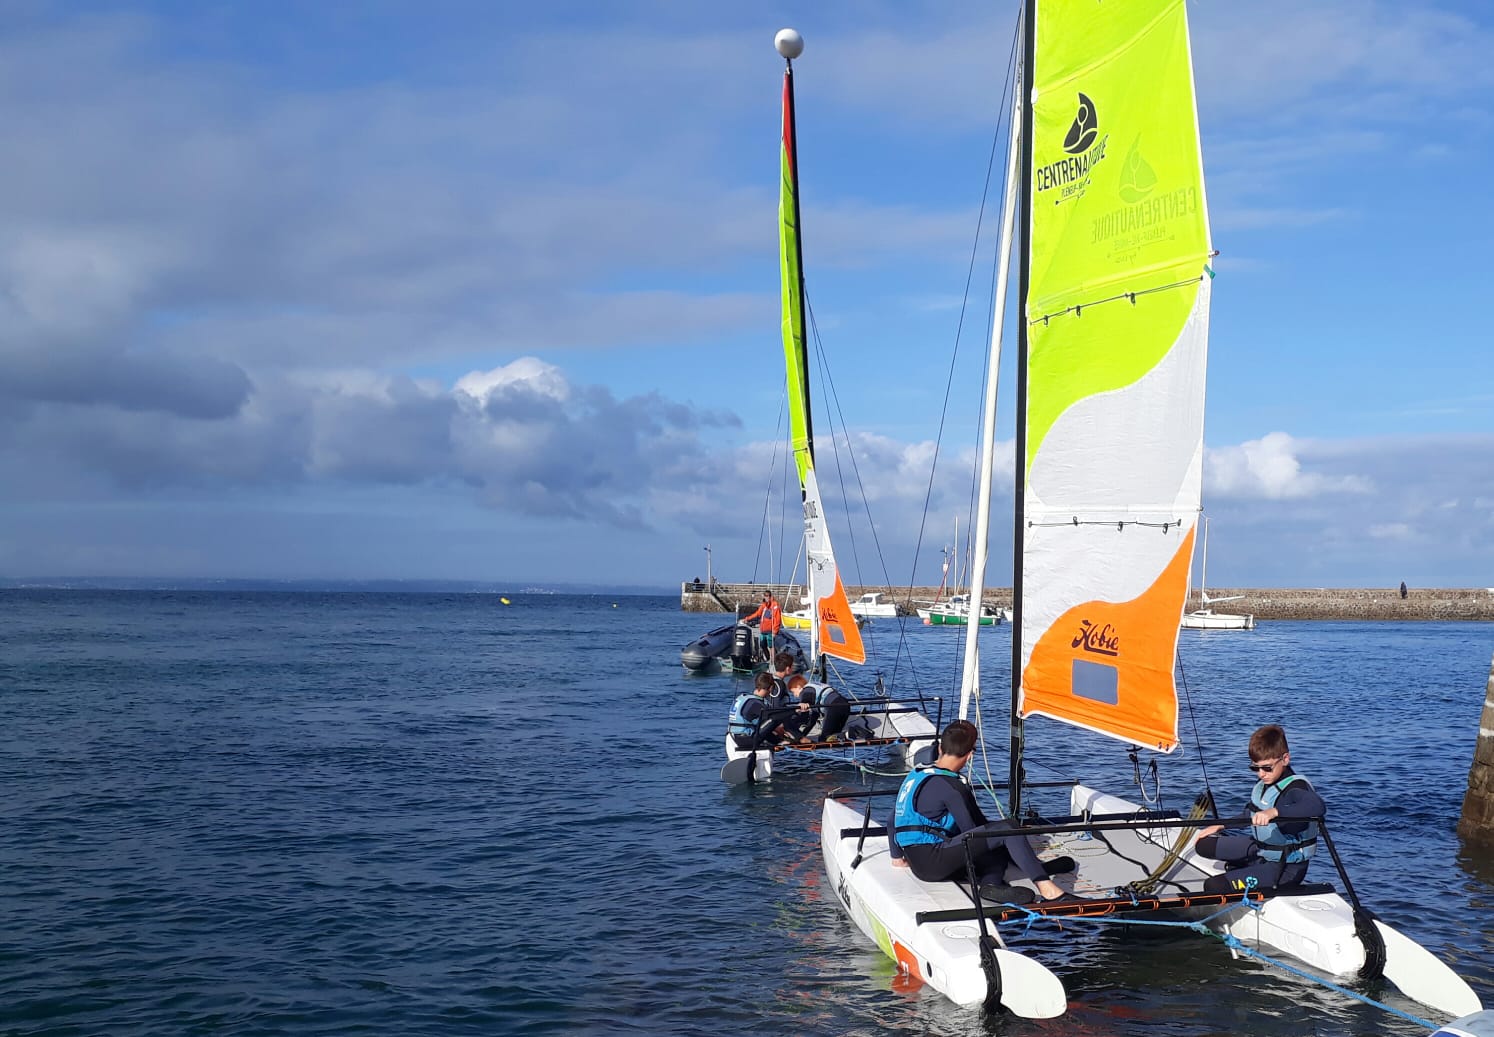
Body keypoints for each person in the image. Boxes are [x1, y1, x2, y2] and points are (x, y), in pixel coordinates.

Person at [887, 719, 1079, 905]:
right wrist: (1008, 836)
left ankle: (1004, 879)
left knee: (998, 837)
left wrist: (897, 858)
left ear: (940, 749)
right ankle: (1048, 890)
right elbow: (972, 832)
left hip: (916, 861)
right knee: (1007, 830)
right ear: (970, 755)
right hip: (935, 862)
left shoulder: (917, 775)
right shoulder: (953, 787)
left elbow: (892, 819)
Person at [1195, 724, 1325, 894]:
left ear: (1285, 759)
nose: (1261, 774)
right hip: (1261, 849)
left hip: (1284, 869)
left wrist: (1274, 812)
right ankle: (1248, 865)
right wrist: (1221, 825)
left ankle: (1248, 871)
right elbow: (1249, 813)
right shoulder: (1266, 783)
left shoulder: (1296, 787)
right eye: (1255, 768)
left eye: (1267, 768)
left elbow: (1317, 806)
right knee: (1203, 845)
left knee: (1214, 886)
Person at [727, 672, 794, 750]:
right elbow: (774, 719)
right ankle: (778, 742)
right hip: (745, 740)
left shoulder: (745, 698)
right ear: (771, 688)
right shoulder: (756, 704)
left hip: (732, 737)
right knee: (773, 719)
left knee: (766, 720)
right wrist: (794, 711)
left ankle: (778, 741)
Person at [789, 673, 852, 741]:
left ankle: (851, 733)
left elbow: (806, 695)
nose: (795, 695)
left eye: (793, 692)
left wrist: (803, 702)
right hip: (845, 705)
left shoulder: (806, 690)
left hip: (834, 706)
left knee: (824, 738)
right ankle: (849, 734)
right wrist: (802, 736)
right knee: (833, 736)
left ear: (798, 687)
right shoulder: (814, 694)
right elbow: (812, 721)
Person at [742, 590, 782, 661]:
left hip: (770, 630)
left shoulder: (775, 606)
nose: (766, 597)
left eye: (767, 596)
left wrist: (775, 631)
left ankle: (773, 660)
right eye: (765, 596)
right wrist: (747, 619)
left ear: (770, 596)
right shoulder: (763, 605)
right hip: (763, 630)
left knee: (771, 646)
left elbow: (777, 620)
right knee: (762, 645)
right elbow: (757, 614)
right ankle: (768, 659)